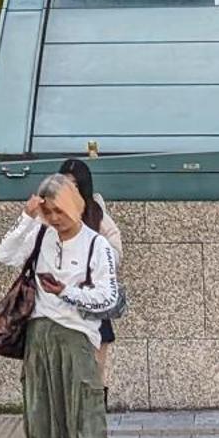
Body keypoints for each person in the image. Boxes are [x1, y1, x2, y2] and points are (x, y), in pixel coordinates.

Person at [0, 173, 121, 438]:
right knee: (40, 417)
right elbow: (5, 254)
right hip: (38, 337)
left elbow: (109, 297)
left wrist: (67, 292)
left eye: (59, 210)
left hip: (77, 336)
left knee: (84, 419)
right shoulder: (41, 235)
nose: (54, 218)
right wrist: (27, 217)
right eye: (48, 211)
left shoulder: (97, 244)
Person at [59, 156, 124, 389]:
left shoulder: (96, 212)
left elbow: (115, 252)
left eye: (75, 184)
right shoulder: (50, 214)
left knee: (96, 372)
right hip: (60, 305)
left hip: (93, 302)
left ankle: (94, 420)